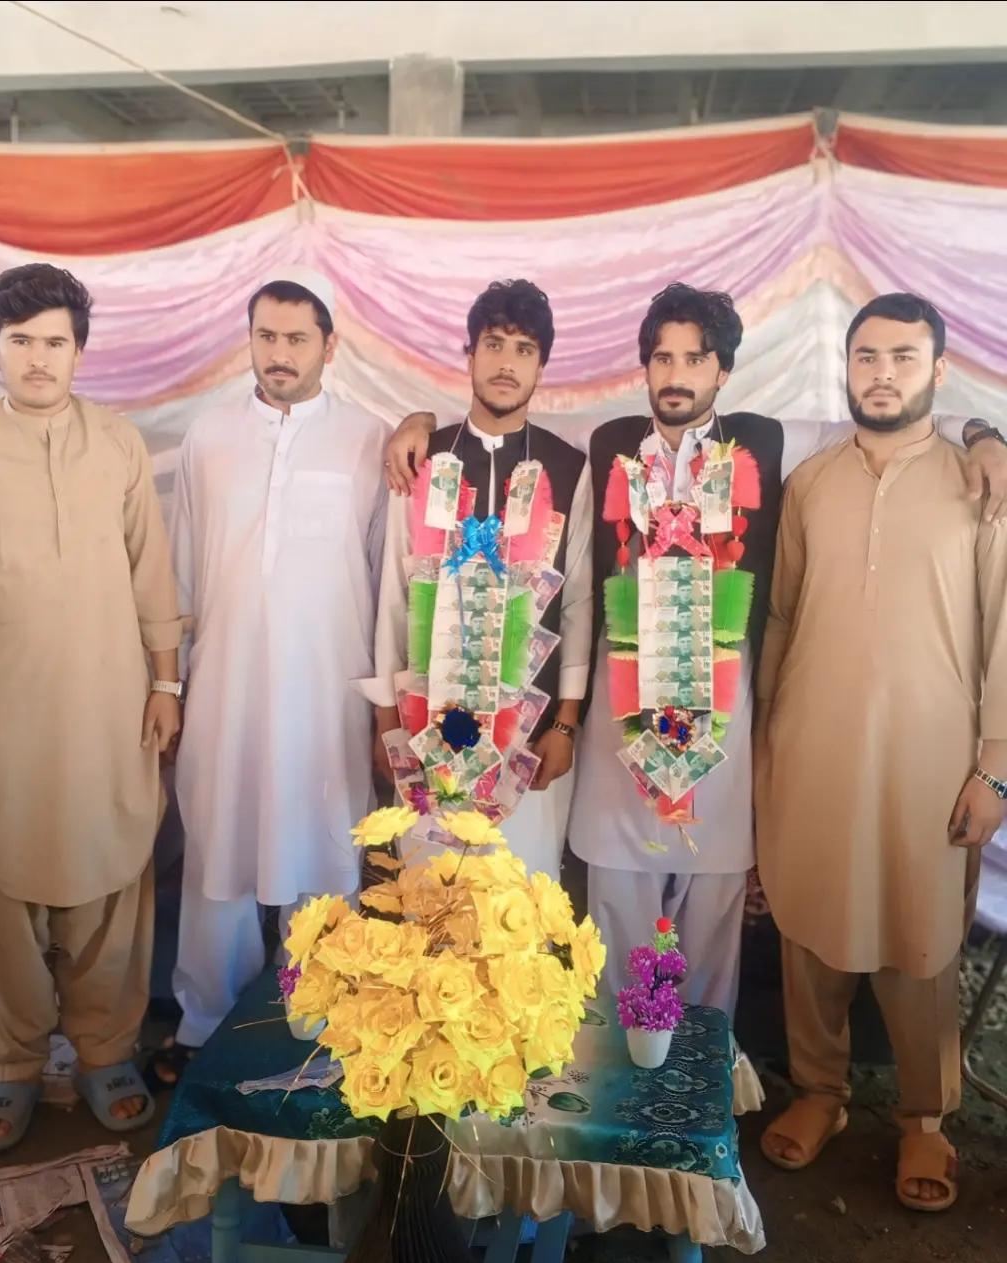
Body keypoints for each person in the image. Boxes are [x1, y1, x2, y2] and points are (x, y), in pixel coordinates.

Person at [385, 282, 1007, 1014]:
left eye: (696, 359)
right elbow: (503, 411)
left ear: (724, 370)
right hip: (619, 737)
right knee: (611, 940)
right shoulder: (606, 442)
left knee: (711, 941)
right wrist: (416, 421)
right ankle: (613, 1066)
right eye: (663, 358)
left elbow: (885, 415)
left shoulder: (769, 440)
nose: (676, 375)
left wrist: (983, 434)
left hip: (723, 734)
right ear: (645, 368)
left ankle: (706, 1067)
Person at [755, 293, 1007, 1213]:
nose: (883, 374)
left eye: (903, 357)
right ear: (847, 367)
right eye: (867, 356)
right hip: (811, 744)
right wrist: (765, 740)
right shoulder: (811, 482)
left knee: (921, 938)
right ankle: (820, 1092)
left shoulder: (982, 485)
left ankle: (924, 1118)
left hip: (930, 760)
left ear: (939, 370)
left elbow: (1005, 633)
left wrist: (996, 768)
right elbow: (781, 617)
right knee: (809, 923)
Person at [0, 263, 182, 1152]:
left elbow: (151, 573)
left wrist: (166, 685)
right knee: (0, 885)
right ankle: (14, 1060)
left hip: (107, 707)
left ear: (80, 351)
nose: (39, 359)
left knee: (109, 870)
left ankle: (104, 1048)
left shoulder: (118, 444)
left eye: (55, 342)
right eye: (21, 342)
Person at [153, 268, 389, 1081]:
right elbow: (182, 571)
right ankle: (203, 1023)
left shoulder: (369, 438)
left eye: (296, 338)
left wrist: (382, 707)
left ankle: (320, 1016)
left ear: (329, 344)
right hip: (225, 685)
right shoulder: (209, 437)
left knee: (323, 849)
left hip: (330, 691)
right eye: (265, 336)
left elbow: (385, 578)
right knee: (218, 845)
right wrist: (172, 685)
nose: (279, 353)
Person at [366, 280, 592, 879]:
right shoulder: (422, 460)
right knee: (430, 899)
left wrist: (565, 723)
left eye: (524, 349)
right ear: (469, 354)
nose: (506, 363)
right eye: (493, 344)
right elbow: (393, 597)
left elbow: (578, 604)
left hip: (528, 737)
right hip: (423, 731)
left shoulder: (568, 468)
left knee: (522, 903)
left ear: (542, 365)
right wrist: (386, 722)